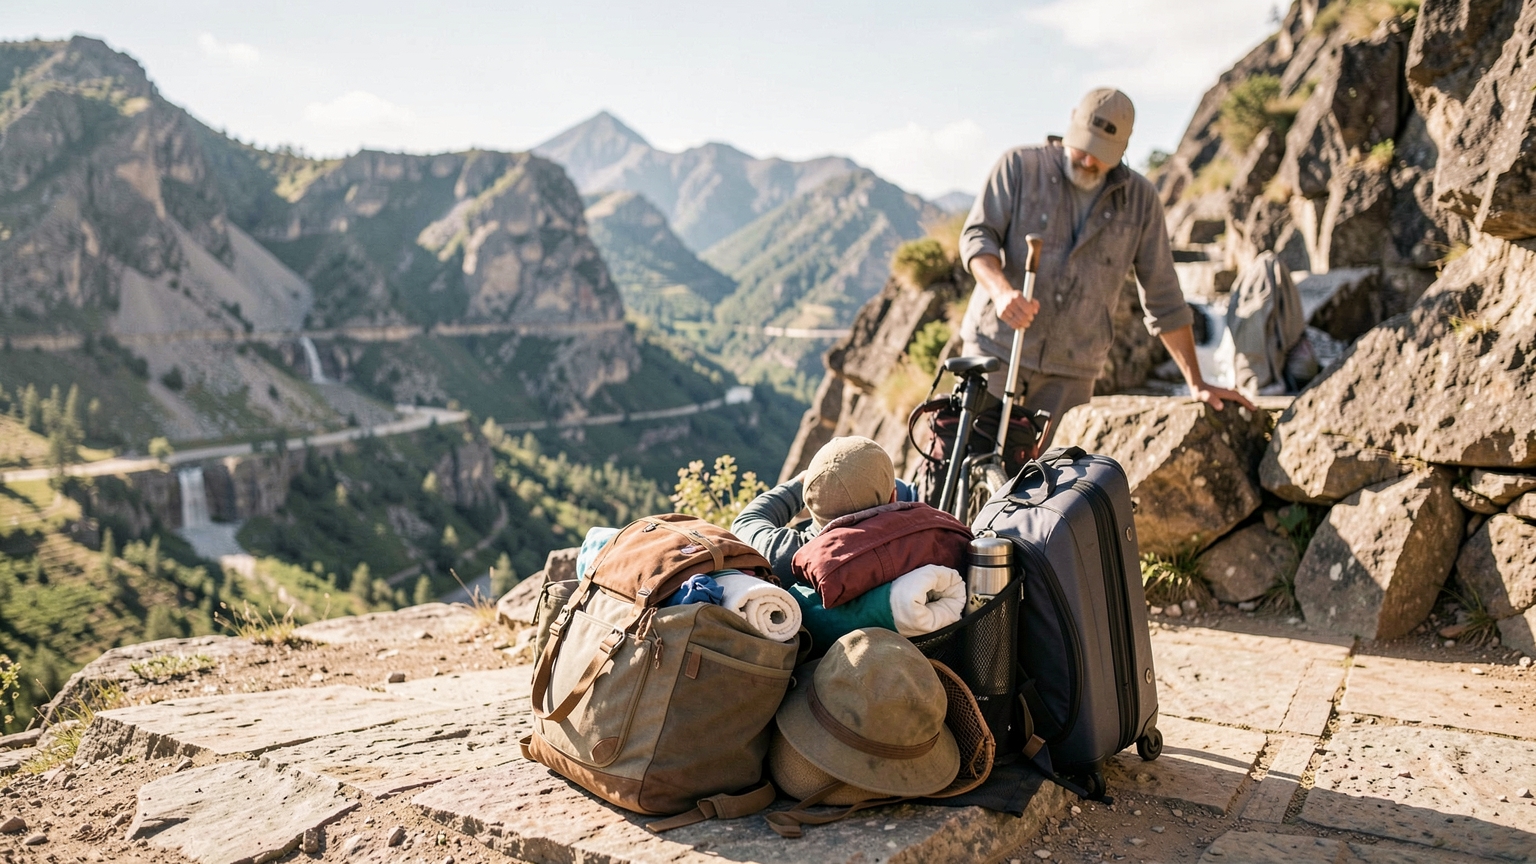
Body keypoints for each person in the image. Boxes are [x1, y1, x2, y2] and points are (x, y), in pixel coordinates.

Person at [958, 87, 1254, 449]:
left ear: (1124, 150)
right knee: (968, 465)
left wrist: (1198, 382)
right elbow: (977, 238)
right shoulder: (1018, 166)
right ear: (1071, 122)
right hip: (995, 349)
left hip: (1072, 373)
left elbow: (1164, 297)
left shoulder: (1141, 202)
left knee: (1045, 494)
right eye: (1083, 148)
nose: (1088, 162)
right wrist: (1001, 291)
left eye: (1101, 156)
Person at [732, 436, 915, 585]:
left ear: (808, 497)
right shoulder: (911, 551)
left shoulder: (782, 556)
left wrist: (799, 483)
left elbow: (747, 520)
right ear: (893, 498)